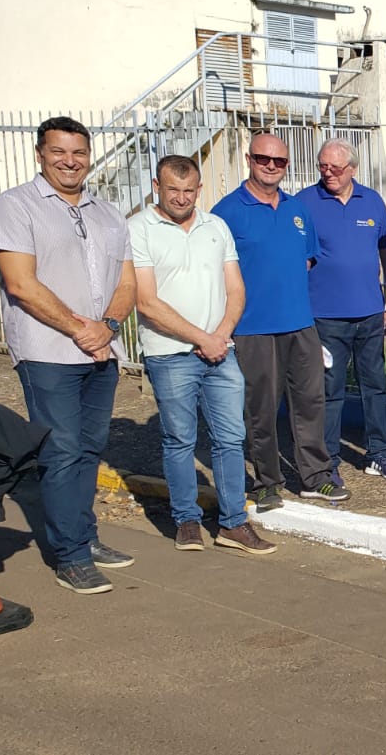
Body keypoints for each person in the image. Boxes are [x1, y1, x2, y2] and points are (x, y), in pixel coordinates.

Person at [0, 116, 137, 592]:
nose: (70, 162)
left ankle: (84, 536)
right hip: (48, 352)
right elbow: (20, 284)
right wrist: (80, 329)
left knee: (89, 448)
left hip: (101, 351)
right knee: (62, 451)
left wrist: (107, 327)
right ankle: (70, 556)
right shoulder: (14, 207)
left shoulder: (108, 213)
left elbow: (127, 282)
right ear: (40, 154)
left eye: (79, 153)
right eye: (58, 152)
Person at [130, 154, 274, 555]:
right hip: (169, 352)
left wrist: (220, 336)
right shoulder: (139, 229)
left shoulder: (216, 226)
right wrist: (201, 338)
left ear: (199, 189)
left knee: (231, 438)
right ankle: (186, 520)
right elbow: (146, 301)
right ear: (157, 187)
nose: (181, 198)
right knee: (180, 439)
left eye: (188, 190)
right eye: (172, 190)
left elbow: (236, 289)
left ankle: (233, 523)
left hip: (220, 351)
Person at [213, 133, 343, 508]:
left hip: (300, 324)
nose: (271, 166)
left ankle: (316, 476)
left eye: (280, 161)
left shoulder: (296, 209)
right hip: (252, 328)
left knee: (310, 403)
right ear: (248, 159)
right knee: (261, 409)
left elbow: (307, 260)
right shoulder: (226, 212)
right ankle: (267, 481)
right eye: (263, 159)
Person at [300, 138, 386, 482]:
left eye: (336, 167)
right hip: (325, 317)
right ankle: (327, 460)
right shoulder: (304, 203)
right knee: (329, 391)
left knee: (375, 387)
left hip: (370, 314)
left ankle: (378, 453)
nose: (328, 173)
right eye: (322, 166)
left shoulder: (372, 201)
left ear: (353, 169)